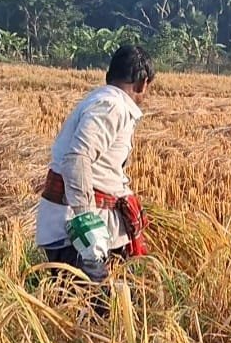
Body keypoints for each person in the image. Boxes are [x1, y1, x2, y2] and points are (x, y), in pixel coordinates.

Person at [35, 45, 154, 291]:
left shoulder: (101, 99)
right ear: (142, 83)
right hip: (76, 234)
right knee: (95, 312)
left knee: (104, 305)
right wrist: (85, 219)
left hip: (82, 227)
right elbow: (77, 158)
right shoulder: (112, 105)